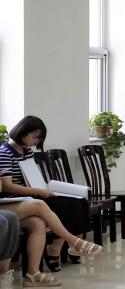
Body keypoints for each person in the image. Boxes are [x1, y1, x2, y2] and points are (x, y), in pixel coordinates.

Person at [0, 116, 100, 277]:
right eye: (34, 137)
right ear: (22, 132)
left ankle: (59, 247)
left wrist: (43, 186)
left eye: (38, 139)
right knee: (60, 207)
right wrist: (37, 191)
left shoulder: (27, 151)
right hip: (14, 198)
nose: (35, 142)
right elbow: (7, 186)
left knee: (79, 201)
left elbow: (30, 176)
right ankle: (72, 243)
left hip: (31, 195)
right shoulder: (4, 153)